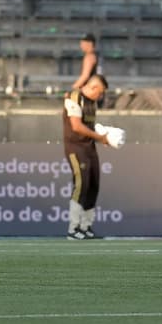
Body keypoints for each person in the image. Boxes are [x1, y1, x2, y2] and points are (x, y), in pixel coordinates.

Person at [62, 74, 110, 240]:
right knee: (81, 185)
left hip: (89, 147)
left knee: (93, 185)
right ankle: (73, 228)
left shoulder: (92, 102)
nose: (101, 96)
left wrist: (104, 137)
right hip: (76, 147)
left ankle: (86, 227)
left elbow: (89, 126)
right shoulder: (75, 97)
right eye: (100, 92)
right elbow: (76, 126)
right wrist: (99, 138)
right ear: (93, 87)